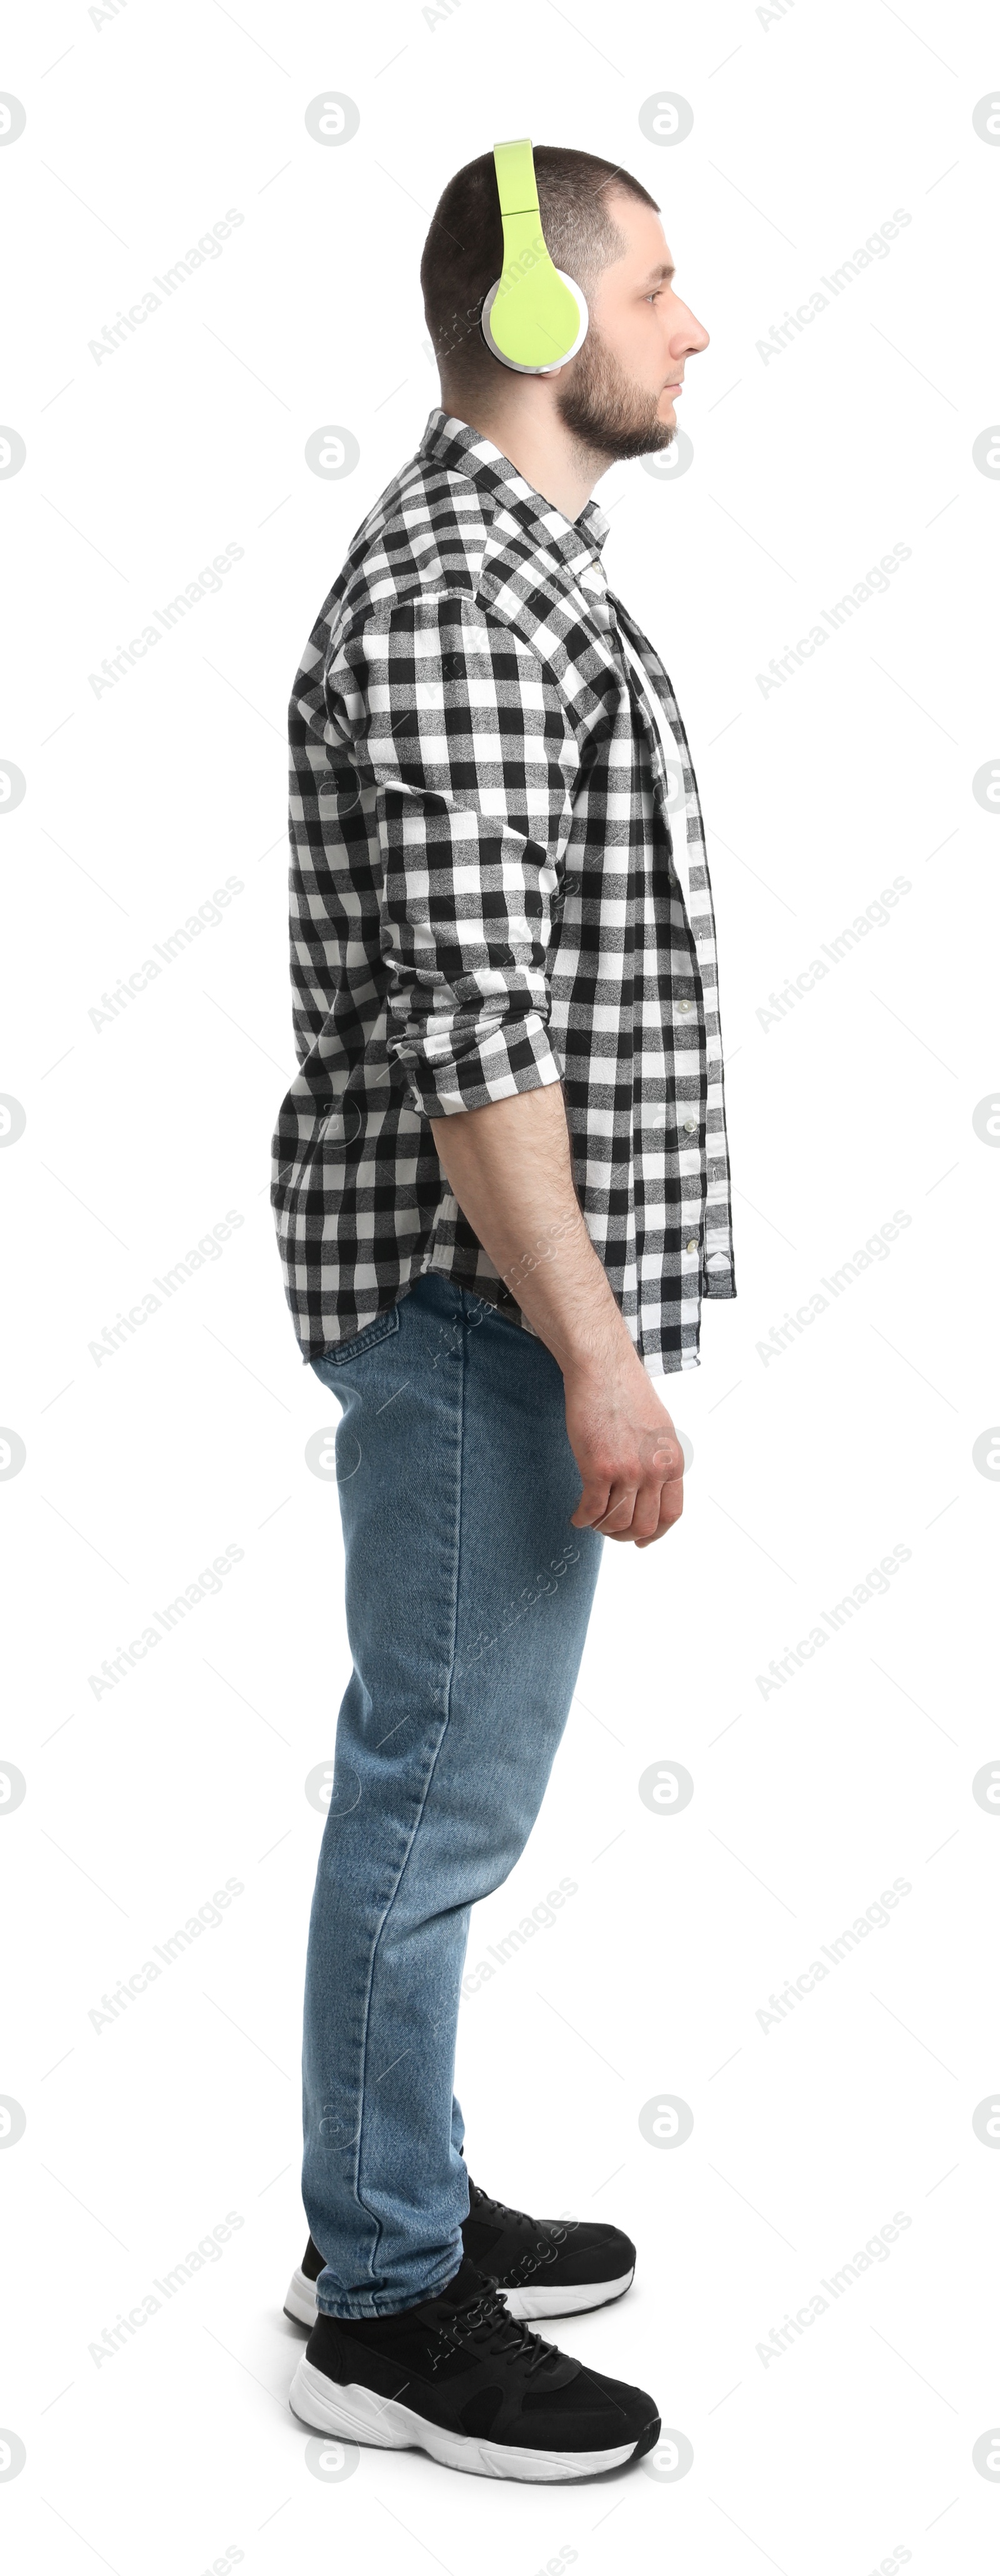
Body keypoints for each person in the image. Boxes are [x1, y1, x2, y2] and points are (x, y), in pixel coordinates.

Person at [270, 141, 736, 2482]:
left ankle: (405, 2195)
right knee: (435, 1800)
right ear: (543, 322)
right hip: (477, 1312)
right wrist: (598, 1354)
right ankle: (379, 2298)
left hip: (494, 1309)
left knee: (441, 1782)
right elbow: (482, 1041)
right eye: (656, 286)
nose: (692, 326)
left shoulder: (518, 569)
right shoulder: (465, 591)